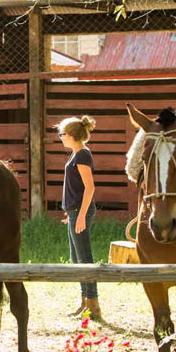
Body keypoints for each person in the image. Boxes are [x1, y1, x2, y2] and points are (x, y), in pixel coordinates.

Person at [58, 115, 101, 320]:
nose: (60, 137)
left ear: (72, 135)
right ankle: (84, 302)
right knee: (77, 258)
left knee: (84, 258)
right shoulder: (76, 154)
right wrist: (71, 214)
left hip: (80, 212)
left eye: (62, 134)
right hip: (74, 212)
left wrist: (82, 215)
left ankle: (93, 305)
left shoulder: (82, 155)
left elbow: (89, 187)